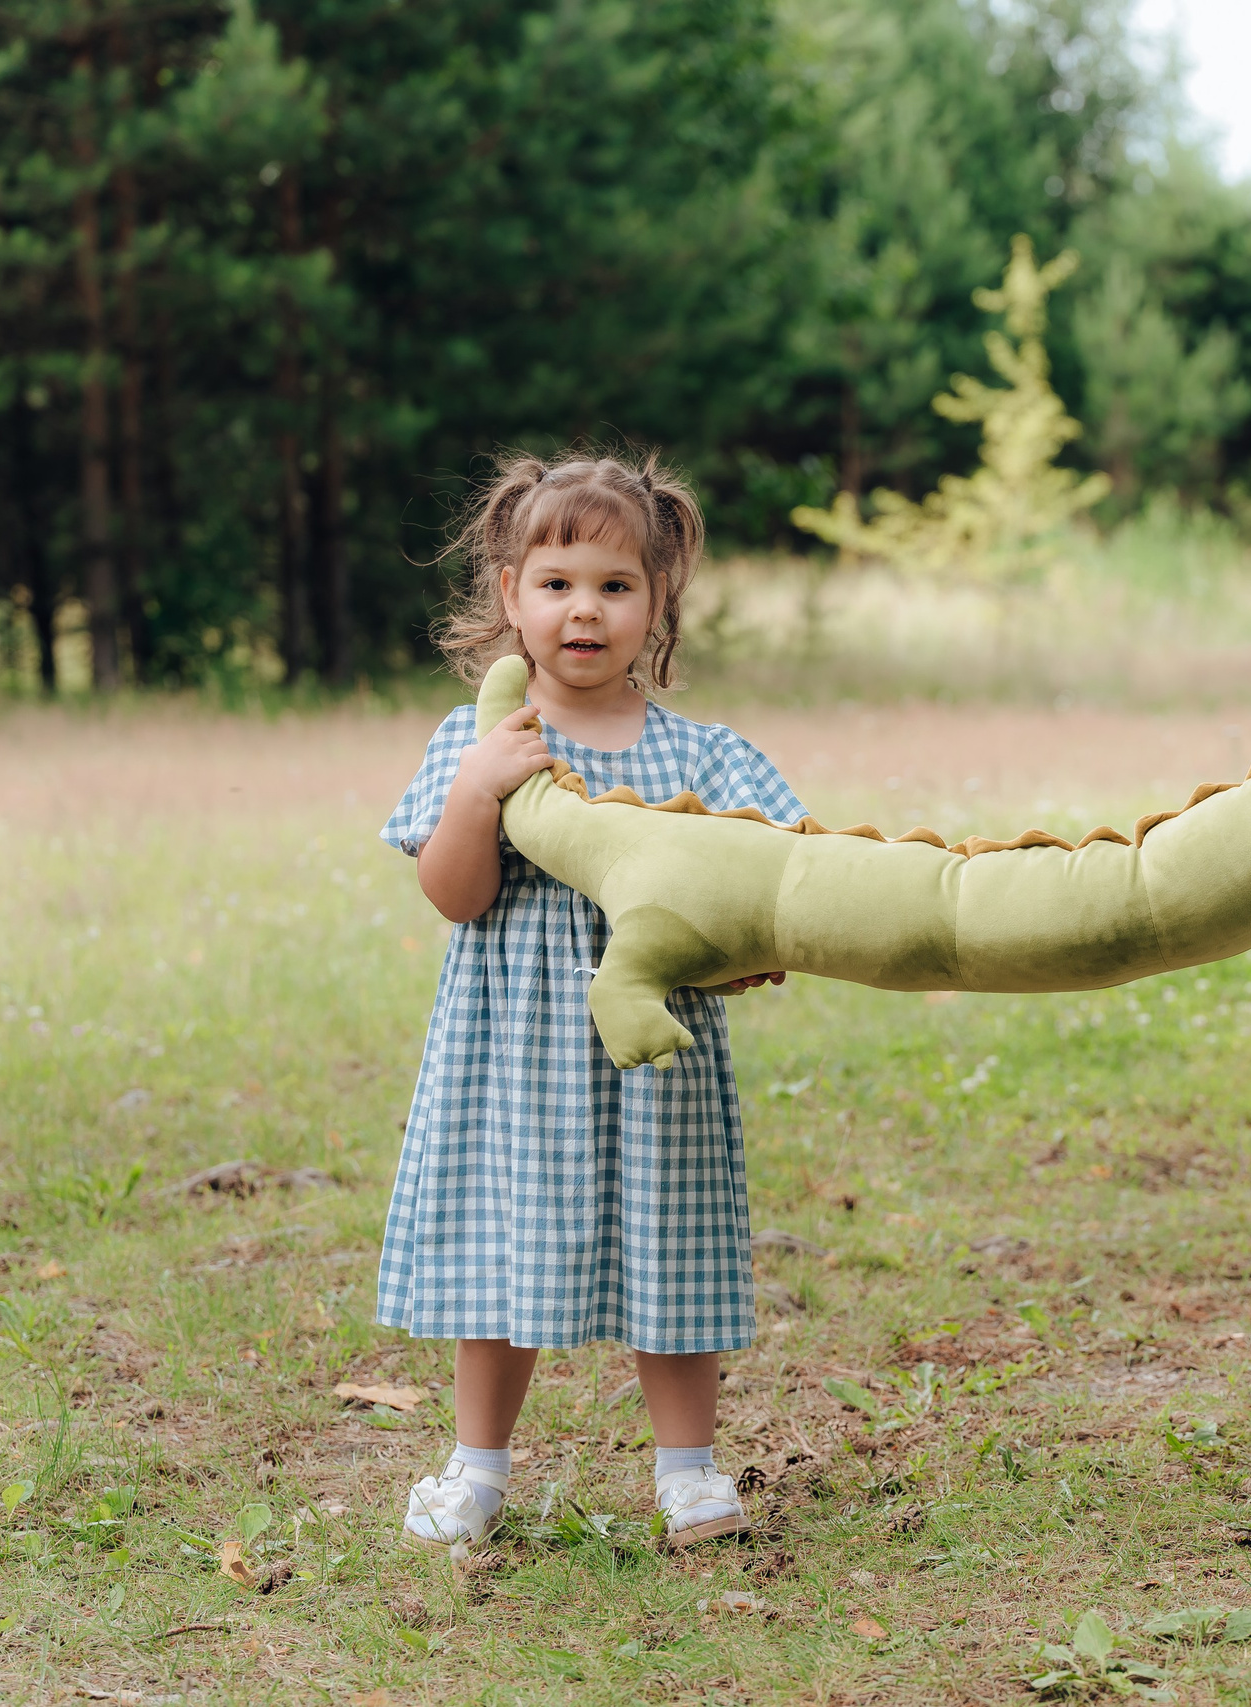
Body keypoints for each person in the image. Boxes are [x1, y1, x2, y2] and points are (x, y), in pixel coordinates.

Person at [377, 450, 803, 1551]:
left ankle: (690, 1472)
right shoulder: (478, 746)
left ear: (657, 605)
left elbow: (774, 887)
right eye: (558, 582)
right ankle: (475, 1469)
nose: (585, 610)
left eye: (616, 586)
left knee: (673, 1251)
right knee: (497, 1259)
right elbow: (455, 897)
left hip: (653, 1055)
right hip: (509, 1056)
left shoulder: (705, 757)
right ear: (509, 595)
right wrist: (479, 790)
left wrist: (754, 945)